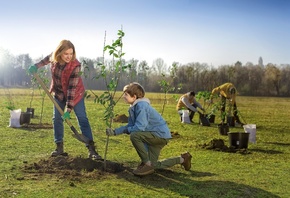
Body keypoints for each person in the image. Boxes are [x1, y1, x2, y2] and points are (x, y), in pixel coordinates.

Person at [28, 40, 101, 160]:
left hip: (75, 95)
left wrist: (68, 109)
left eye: (71, 53)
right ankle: (59, 148)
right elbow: (45, 60)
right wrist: (36, 66)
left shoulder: (75, 66)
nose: (69, 56)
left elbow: (71, 90)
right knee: (56, 118)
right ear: (60, 53)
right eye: (66, 53)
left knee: (82, 118)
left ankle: (92, 150)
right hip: (59, 94)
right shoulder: (54, 57)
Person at [106, 82, 192, 176]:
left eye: (126, 94)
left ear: (134, 97)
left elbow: (139, 127)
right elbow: (130, 126)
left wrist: (128, 130)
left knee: (135, 135)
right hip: (155, 136)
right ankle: (183, 159)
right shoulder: (133, 108)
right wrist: (115, 132)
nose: (124, 96)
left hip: (159, 135)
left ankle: (146, 163)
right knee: (154, 165)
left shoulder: (141, 106)